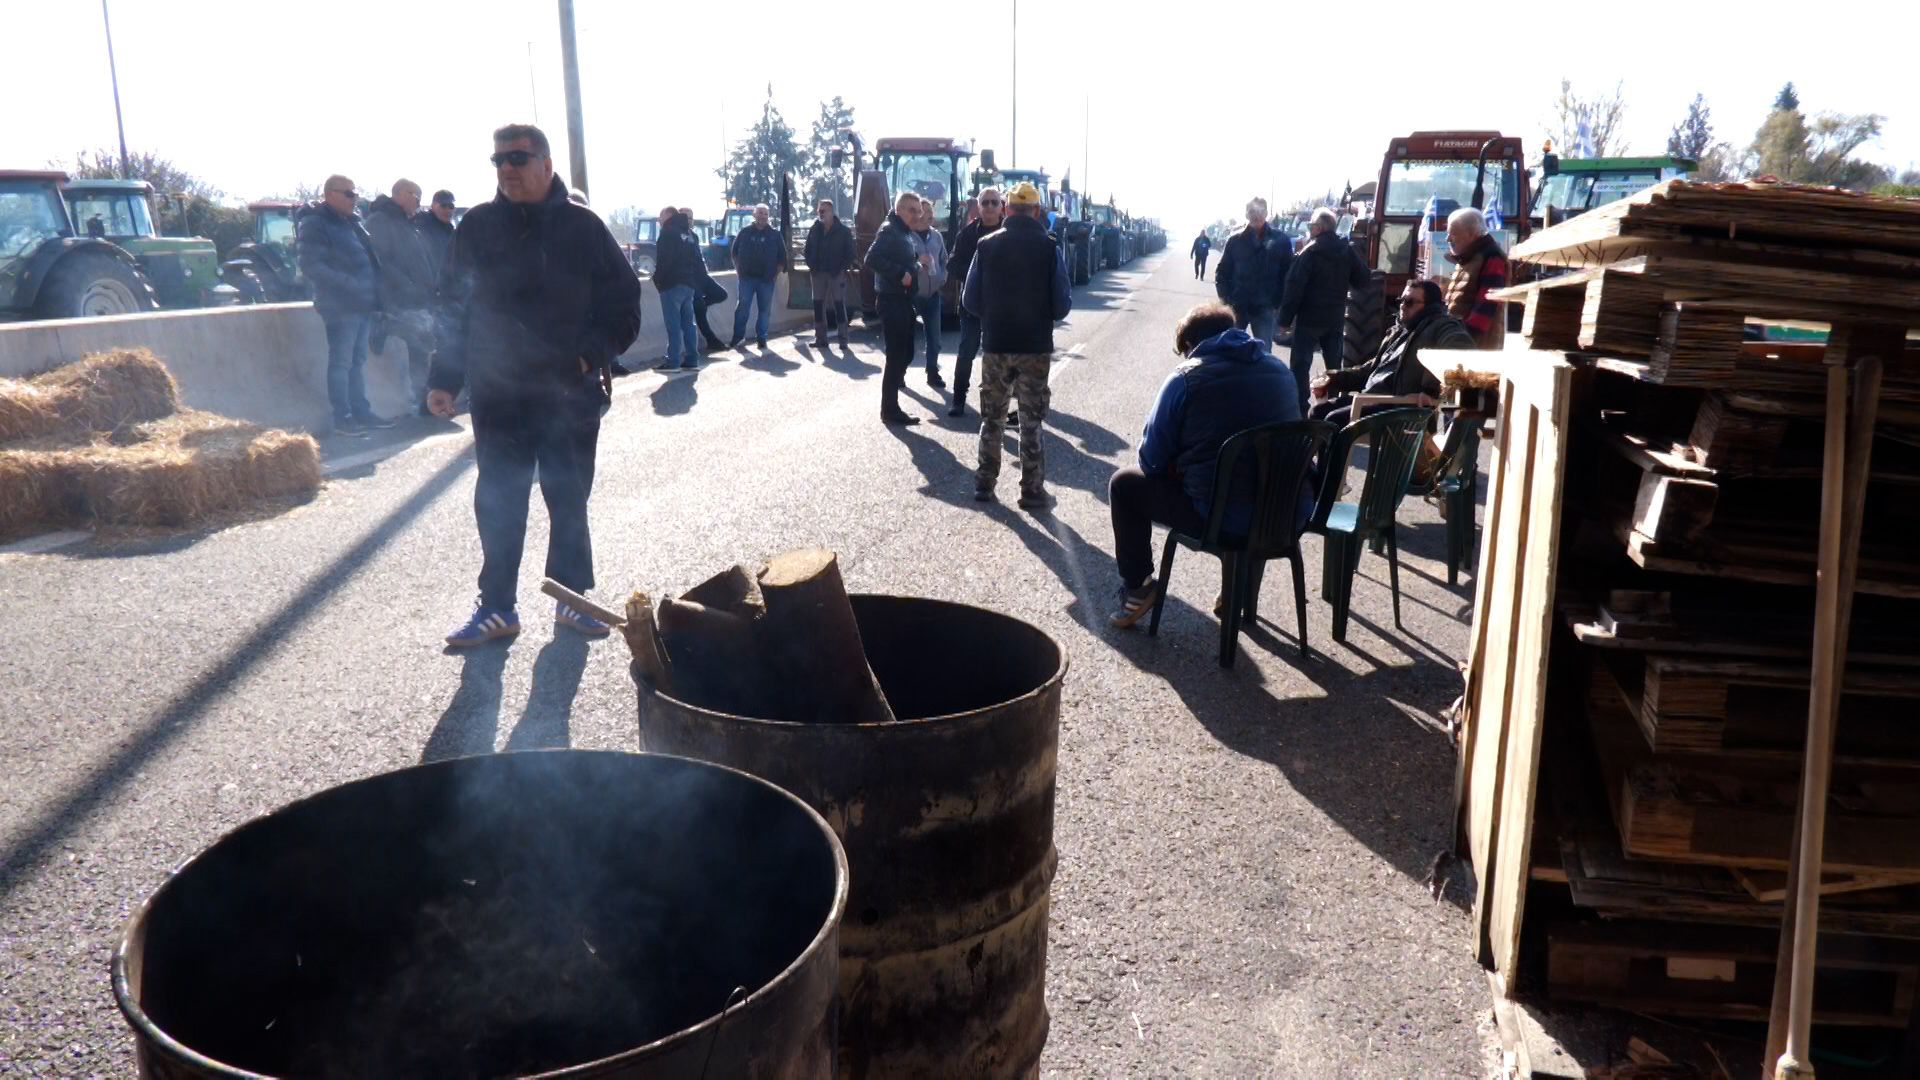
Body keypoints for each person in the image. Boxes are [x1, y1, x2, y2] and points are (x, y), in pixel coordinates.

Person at [427, 123, 642, 648]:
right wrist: (444, 378)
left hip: (568, 393)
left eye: (518, 158)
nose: (507, 168)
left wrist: (585, 357)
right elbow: (452, 308)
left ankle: (572, 600)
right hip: (497, 394)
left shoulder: (584, 227)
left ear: (546, 164)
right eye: (498, 160)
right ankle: (497, 608)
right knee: (498, 500)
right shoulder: (476, 226)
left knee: (568, 497)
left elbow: (624, 307)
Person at [1108, 302, 1306, 628]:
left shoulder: (1186, 377)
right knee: (1254, 481)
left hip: (1222, 520)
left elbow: (1151, 460)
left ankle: (1138, 589)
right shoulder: (1280, 370)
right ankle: (1238, 591)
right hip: (1285, 514)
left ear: (1190, 345)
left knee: (1124, 484)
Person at [962, 181, 1072, 509]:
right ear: (1036, 211)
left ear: (1007, 209)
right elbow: (1061, 306)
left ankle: (984, 484)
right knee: (1030, 420)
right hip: (1035, 348)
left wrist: (995, 316)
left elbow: (969, 300)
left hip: (996, 345)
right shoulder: (1050, 249)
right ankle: (1031, 490)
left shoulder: (985, 245)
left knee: (992, 418)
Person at [298, 173, 390, 435]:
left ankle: (361, 411)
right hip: (339, 306)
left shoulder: (352, 222)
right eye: (348, 194)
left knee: (356, 361)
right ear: (330, 194)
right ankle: (343, 417)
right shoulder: (315, 223)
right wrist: (351, 284)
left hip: (361, 304)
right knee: (341, 362)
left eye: (355, 193)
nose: (354, 198)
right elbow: (311, 265)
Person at [1310, 280, 1467, 428]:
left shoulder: (1441, 325)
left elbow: (1459, 347)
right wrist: (1333, 377)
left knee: (1333, 420)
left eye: (1410, 302)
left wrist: (1429, 389)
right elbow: (1371, 370)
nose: (1402, 306)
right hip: (1370, 399)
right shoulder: (1399, 331)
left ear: (1430, 306)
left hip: (1398, 406)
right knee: (1317, 412)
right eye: (1401, 300)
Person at [1276, 206, 1371, 413]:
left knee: (1300, 366)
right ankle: (1332, 407)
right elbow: (1364, 279)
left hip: (1309, 319)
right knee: (1334, 366)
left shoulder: (1310, 252)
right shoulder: (1347, 250)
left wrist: (1284, 320)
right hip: (1335, 319)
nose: (1310, 229)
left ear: (1319, 228)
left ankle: (1301, 408)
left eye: (1311, 225)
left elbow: (1294, 288)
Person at [364, 179, 441, 415]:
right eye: (414, 195)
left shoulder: (408, 223)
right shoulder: (379, 221)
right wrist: (408, 286)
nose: (418, 200)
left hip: (418, 298)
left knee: (424, 345)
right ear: (399, 194)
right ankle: (421, 399)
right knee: (419, 342)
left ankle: (423, 399)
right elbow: (381, 261)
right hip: (399, 300)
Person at [945, 185, 1005, 416]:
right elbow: (952, 264)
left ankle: (993, 405)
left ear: (1001, 207)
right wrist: (975, 275)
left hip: (1000, 308)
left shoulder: (1008, 233)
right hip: (972, 305)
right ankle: (958, 400)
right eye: (985, 202)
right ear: (978, 207)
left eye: (994, 202)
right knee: (967, 351)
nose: (989, 206)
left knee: (998, 356)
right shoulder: (967, 234)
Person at [867, 191, 924, 425]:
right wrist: (900, 273)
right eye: (912, 210)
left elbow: (906, 261)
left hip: (903, 301)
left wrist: (915, 266)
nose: (917, 215)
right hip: (891, 300)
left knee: (907, 353)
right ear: (899, 209)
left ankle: (892, 399)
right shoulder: (890, 230)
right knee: (896, 356)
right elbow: (871, 258)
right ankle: (890, 410)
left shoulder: (904, 232)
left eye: (919, 211)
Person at [1213, 197, 1293, 346]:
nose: (1256, 215)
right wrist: (1226, 300)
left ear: (1267, 213)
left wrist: (1277, 302)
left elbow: (1288, 274)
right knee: (1230, 349)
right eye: (1252, 211)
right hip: (1237, 306)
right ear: (1246, 214)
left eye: (1260, 211)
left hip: (1265, 308)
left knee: (1263, 352)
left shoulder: (1281, 240)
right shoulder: (1235, 240)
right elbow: (1222, 272)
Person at [1443, 207, 1508, 349]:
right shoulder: (1469, 257)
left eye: (1453, 234)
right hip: (1460, 337)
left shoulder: (1491, 257)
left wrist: (1464, 339)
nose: (1447, 239)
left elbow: (1487, 304)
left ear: (1472, 234)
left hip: (1475, 344)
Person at [650, 206, 705, 371]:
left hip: (671, 284)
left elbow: (664, 261)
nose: (659, 220)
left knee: (673, 325)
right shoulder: (688, 234)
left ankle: (673, 361)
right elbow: (697, 260)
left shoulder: (667, 233)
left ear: (668, 216)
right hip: (689, 284)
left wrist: (658, 281)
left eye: (661, 216)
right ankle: (692, 359)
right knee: (688, 324)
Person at [728, 203, 786, 348]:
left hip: (767, 280)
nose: (763, 216)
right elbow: (734, 252)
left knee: (765, 310)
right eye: (760, 213)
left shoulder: (775, 235)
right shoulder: (745, 232)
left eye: (765, 214)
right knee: (742, 308)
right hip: (746, 279)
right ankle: (737, 337)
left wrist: (775, 274)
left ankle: (762, 338)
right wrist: (738, 270)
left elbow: (782, 258)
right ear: (754, 214)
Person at [803, 197, 855, 349]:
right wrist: (812, 265)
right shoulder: (814, 230)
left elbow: (850, 253)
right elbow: (807, 250)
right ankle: (821, 339)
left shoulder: (843, 231)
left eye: (824, 211)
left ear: (832, 212)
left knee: (839, 305)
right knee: (818, 306)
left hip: (836, 274)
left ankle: (843, 340)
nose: (821, 213)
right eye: (819, 210)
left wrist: (842, 269)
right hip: (817, 274)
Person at [910, 195, 949, 389]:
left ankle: (932, 372)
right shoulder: (907, 236)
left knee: (935, 338)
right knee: (906, 337)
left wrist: (942, 277)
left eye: (931, 212)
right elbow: (901, 262)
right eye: (926, 212)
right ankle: (899, 373)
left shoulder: (936, 236)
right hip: (911, 295)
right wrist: (918, 262)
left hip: (933, 294)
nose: (930, 215)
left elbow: (944, 259)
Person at [681, 207, 728, 351]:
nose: (688, 220)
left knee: (722, 294)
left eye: (690, 217)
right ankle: (712, 340)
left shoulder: (694, 235)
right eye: (685, 217)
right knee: (700, 309)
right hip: (690, 279)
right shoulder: (677, 236)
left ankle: (699, 305)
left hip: (702, 276)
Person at [417, 190, 457, 279]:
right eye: (443, 206)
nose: (447, 210)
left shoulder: (451, 231)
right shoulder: (421, 225)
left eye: (451, 206)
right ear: (433, 206)